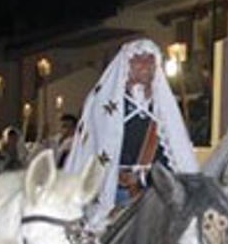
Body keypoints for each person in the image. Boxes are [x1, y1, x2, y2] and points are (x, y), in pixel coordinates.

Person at [63, 38, 198, 228]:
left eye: (150, 60)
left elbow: (174, 152)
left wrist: (151, 179)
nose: (145, 64)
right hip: (113, 190)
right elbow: (95, 149)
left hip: (154, 192)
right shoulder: (104, 102)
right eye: (138, 59)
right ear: (126, 64)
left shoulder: (163, 106)